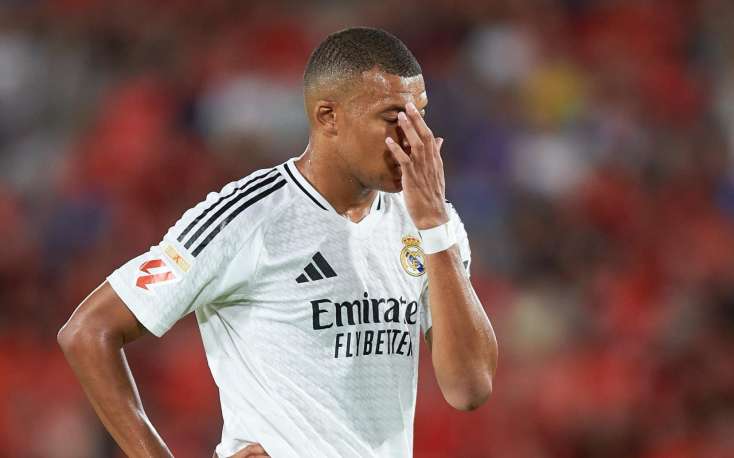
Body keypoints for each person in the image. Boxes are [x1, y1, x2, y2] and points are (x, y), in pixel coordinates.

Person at [58, 27, 498, 458]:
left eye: (420, 114)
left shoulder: (430, 225)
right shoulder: (248, 217)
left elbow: (470, 388)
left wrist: (435, 227)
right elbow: (88, 331)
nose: (415, 137)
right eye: (392, 117)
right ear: (328, 117)